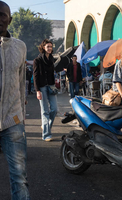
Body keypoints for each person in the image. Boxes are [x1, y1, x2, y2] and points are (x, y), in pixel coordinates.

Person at [0, 1, 30, 199]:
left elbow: (21, 83)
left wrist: (21, 117)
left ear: (9, 20)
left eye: (3, 15)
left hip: (13, 120)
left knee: (19, 176)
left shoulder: (20, 47)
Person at [33, 39, 58, 141]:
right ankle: (46, 135)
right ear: (43, 48)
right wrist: (37, 90)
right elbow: (35, 77)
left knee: (54, 109)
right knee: (45, 111)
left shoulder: (52, 60)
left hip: (51, 87)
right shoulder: (37, 60)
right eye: (47, 46)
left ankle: (46, 125)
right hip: (42, 87)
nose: (49, 48)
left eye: (51, 47)